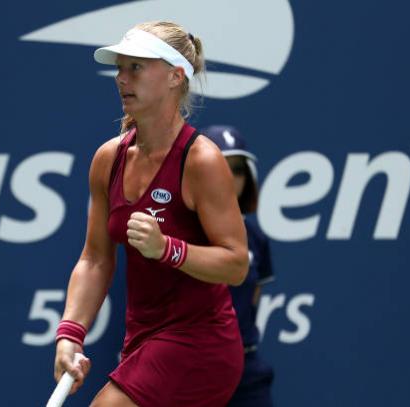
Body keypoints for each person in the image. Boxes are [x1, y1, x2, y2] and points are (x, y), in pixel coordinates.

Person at [53, 21, 249, 406]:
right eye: (119, 68)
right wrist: (70, 332)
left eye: (136, 67)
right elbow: (95, 259)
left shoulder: (202, 160)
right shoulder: (108, 159)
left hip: (200, 344)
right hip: (142, 341)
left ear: (176, 76)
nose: (121, 79)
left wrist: (168, 249)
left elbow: (236, 264)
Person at [202, 125, 275, 407]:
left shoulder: (255, 238)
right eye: (221, 167)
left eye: (238, 169)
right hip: (190, 369)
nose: (230, 178)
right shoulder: (175, 234)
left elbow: (252, 296)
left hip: (245, 371)